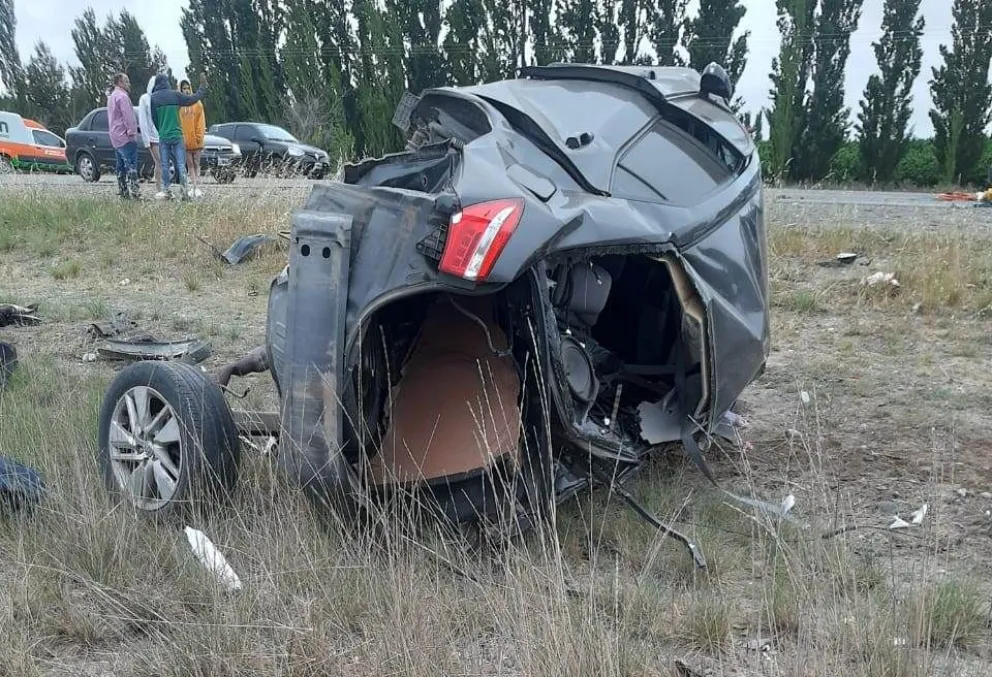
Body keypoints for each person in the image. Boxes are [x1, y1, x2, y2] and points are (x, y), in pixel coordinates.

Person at [149, 73, 207, 200]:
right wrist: (203, 87)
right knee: (181, 164)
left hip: (164, 136)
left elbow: (154, 118)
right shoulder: (175, 95)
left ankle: (166, 190)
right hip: (178, 135)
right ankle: (184, 191)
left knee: (164, 164)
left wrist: (161, 129)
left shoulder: (153, 98)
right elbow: (193, 99)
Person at [107, 73, 140, 200]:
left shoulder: (111, 97)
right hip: (125, 137)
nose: (129, 84)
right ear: (120, 82)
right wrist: (132, 132)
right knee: (131, 165)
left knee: (120, 165)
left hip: (115, 136)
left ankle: (123, 191)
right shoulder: (122, 97)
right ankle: (135, 192)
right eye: (126, 81)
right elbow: (128, 117)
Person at [179, 79, 206, 198]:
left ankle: (198, 187)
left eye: (187, 88)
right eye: (183, 89)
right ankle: (193, 186)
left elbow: (201, 122)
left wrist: (200, 136)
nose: (186, 91)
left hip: (197, 141)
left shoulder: (198, 104)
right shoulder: (179, 106)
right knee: (189, 165)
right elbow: (179, 123)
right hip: (186, 142)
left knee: (196, 164)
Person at [137, 75, 162, 190]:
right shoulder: (145, 99)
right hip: (152, 138)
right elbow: (143, 120)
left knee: (162, 163)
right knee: (159, 162)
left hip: (163, 136)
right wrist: (146, 140)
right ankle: (159, 188)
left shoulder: (162, 97)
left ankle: (162, 188)